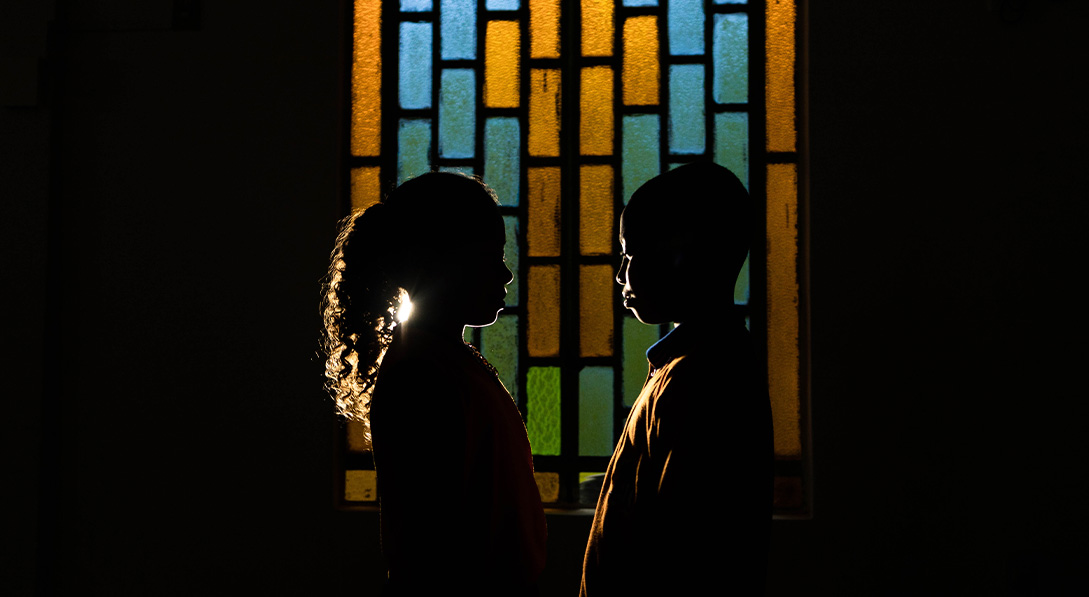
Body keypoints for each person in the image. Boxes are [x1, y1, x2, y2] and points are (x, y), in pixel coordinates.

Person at [321, 172, 546, 596]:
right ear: (441, 262)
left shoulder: (445, 361)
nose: (506, 274)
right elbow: (431, 542)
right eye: (490, 256)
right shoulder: (421, 376)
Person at [580, 162, 773, 596]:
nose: (619, 273)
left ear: (680, 255)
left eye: (629, 254)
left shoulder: (698, 382)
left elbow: (684, 552)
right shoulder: (690, 367)